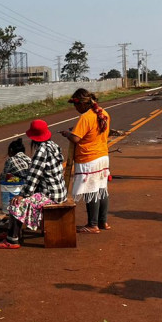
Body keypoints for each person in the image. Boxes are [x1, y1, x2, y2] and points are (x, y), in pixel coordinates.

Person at [0, 120, 66, 249]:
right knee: (20, 200)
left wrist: (23, 195)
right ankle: (12, 231)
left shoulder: (41, 151)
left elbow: (33, 176)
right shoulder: (53, 145)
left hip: (50, 194)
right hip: (60, 192)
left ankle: (12, 239)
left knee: (15, 204)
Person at [60, 88, 111, 233]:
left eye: (76, 105)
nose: (75, 108)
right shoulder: (103, 113)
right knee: (102, 190)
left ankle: (92, 225)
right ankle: (103, 222)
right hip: (102, 157)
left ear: (82, 104)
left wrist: (67, 134)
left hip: (89, 159)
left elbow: (76, 138)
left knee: (91, 191)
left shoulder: (86, 117)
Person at [0, 138, 31, 210]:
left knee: (8, 179)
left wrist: (9, 178)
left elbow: (2, 177)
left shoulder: (11, 160)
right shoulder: (28, 159)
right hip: (30, 187)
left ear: (11, 150)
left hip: (21, 188)